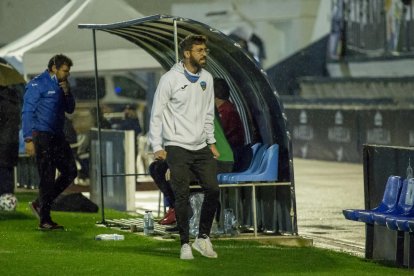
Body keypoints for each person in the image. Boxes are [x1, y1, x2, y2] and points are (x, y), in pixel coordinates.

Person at [149, 34, 219, 260]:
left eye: (205, 50)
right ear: (187, 53)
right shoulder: (170, 79)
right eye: (199, 50)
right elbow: (156, 114)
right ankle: (184, 244)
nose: (204, 54)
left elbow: (209, 113)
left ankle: (203, 239)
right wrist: (157, 145)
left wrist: (211, 141)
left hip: (201, 147)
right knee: (182, 195)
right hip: (177, 146)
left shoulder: (207, 78)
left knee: (213, 190)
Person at [22, 54, 77, 230]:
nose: (67, 74)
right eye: (64, 71)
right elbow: (27, 111)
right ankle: (44, 219)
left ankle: (40, 203)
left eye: (68, 71)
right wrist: (28, 138)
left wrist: (67, 92)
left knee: (70, 171)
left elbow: (70, 109)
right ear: (54, 67)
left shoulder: (62, 85)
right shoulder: (37, 84)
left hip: (58, 135)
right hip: (42, 136)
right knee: (47, 176)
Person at [213, 78, 246, 171]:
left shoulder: (225, 112)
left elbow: (218, 135)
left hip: (230, 154)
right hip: (232, 152)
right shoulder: (228, 108)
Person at [0, 85, 21, 196]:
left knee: (3, 172)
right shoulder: (13, 99)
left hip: (2, 142)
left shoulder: (2, 101)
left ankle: (5, 198)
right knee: (7, 170)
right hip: (12, 141)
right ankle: (8, 198)